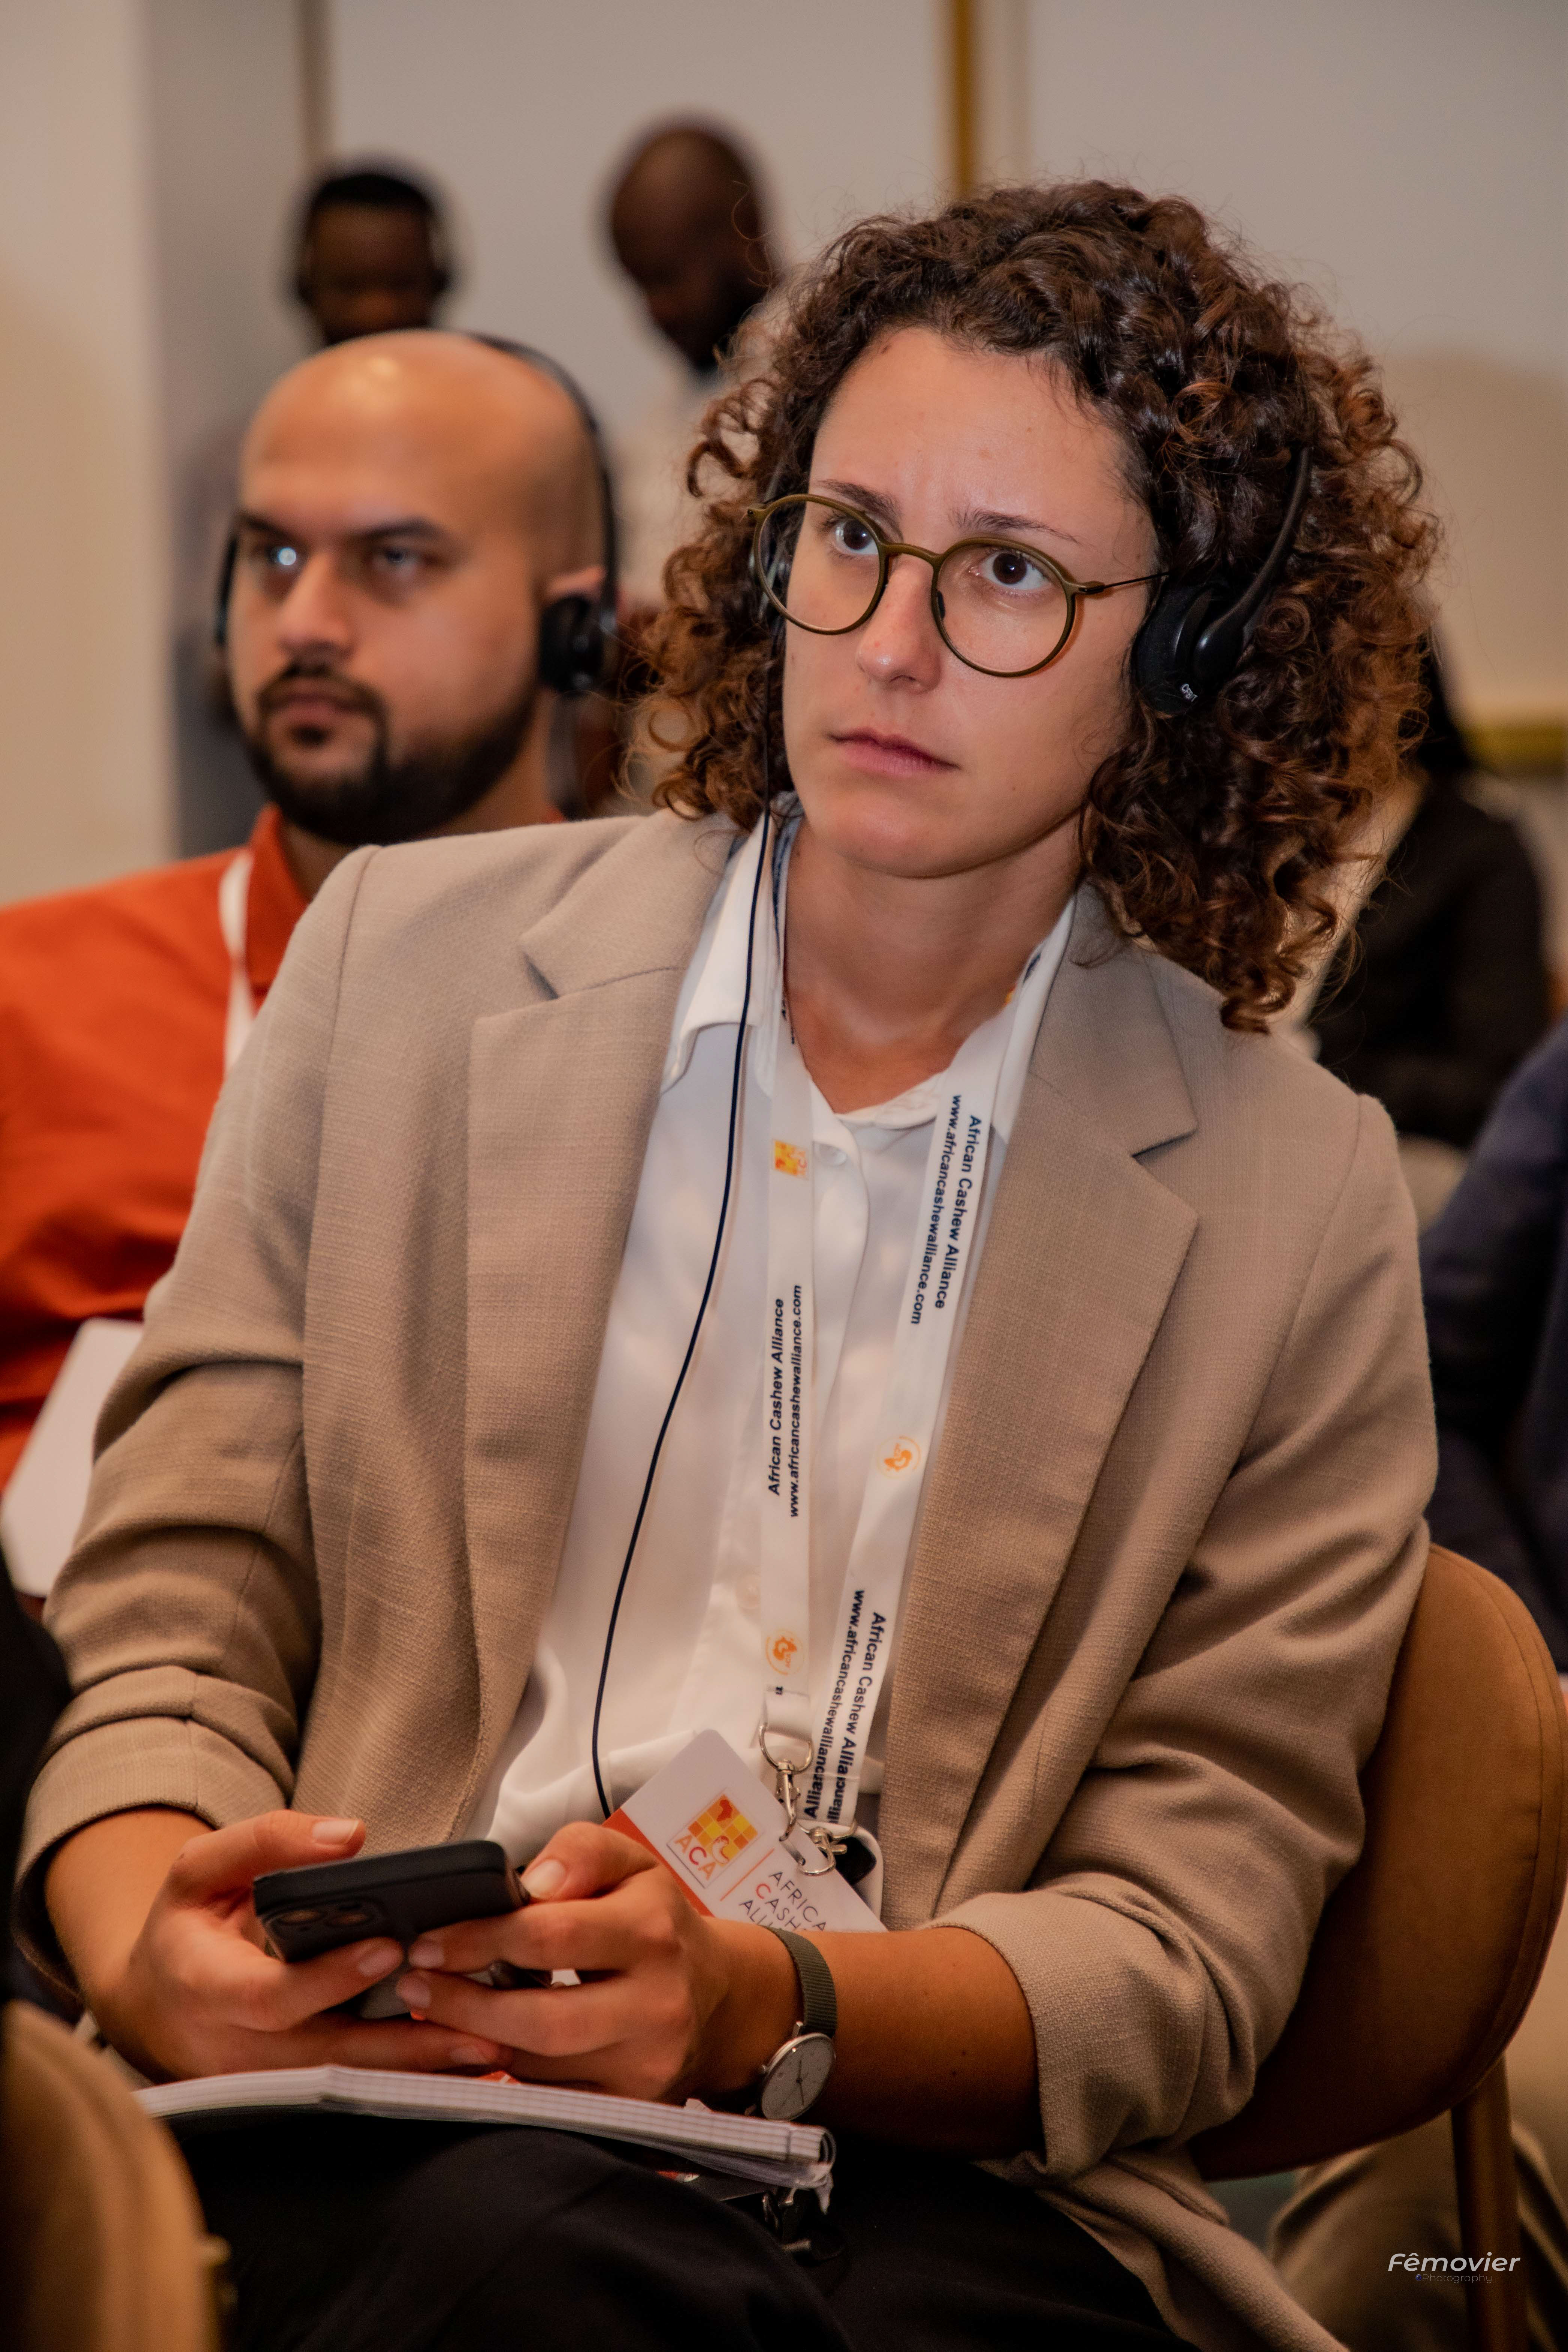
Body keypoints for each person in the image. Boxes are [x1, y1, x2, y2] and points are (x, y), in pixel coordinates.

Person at [21, 182, 1436, 2352]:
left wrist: (761, 1998)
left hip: (924, 2168)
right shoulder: (400, 972)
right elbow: (174, 1605)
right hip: (384, 2102)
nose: (888, 642)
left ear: (1184, 660)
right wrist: (146, 1939)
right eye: (849, 535)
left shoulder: (1293, 1195)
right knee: (524, 2269)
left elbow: (1184, 1942)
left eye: (1009, 575)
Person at [0, 330, 601, 1525]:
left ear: (571, 629)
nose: (305, 623)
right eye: (272, 555)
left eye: (393, 559)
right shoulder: (31, 997)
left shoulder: (692, 1015)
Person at [176, 163, 457, 854]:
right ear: (303, 290)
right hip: (314, 846)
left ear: (441, 284)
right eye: (350, 287)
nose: (376, 313)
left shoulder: (506, 455)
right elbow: (219, 667)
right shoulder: (238, 462)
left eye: (399, 284)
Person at [1308, 640, 1549, 1226]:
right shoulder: (1255, 825)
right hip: (1262, 1116)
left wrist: (1318, 1066)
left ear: (1409, 691)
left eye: (1356, 675)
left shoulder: (1480, 851)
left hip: (1405, 1145)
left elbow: (1494, 1083)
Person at [607, 121, 780, 613]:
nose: (655, 310)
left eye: (667, 277)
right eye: (638, 285)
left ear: (744, 229)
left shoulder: (827, 372)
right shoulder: (658, 415)